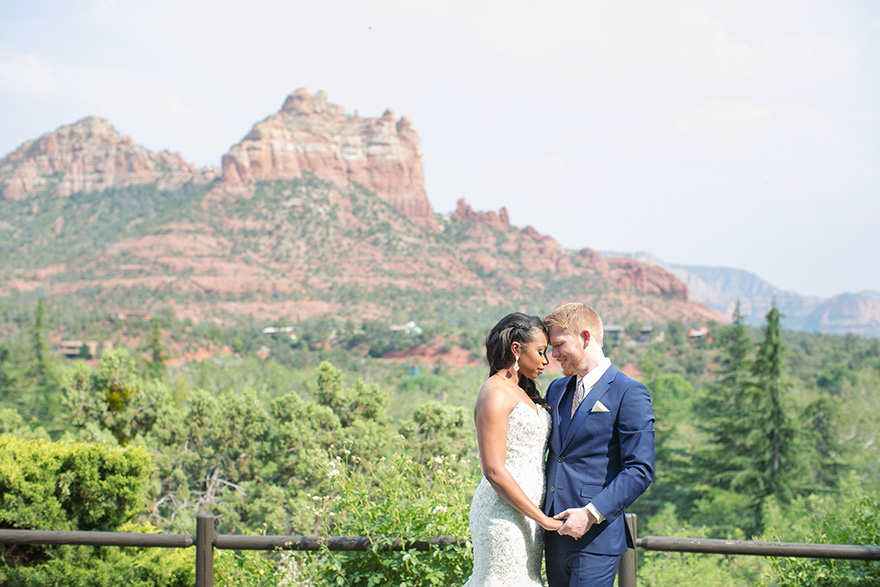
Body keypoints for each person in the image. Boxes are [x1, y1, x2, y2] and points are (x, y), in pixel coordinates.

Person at [542, 303, 654, 587]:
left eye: (558, 345)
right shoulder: (556, 389)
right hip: (553, 537)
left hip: (596, 541)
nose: (553, 355)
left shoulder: (629, 392)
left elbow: (639, 469)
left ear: (585, 337)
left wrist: (591, 514)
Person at [464, 312, 563, 587]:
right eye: (541, 352)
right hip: (502, 514)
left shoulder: (522, 391)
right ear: (516, 349)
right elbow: (494, 470)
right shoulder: (495, 392)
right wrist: (543, 518)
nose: (546, 360)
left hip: (528, 515)